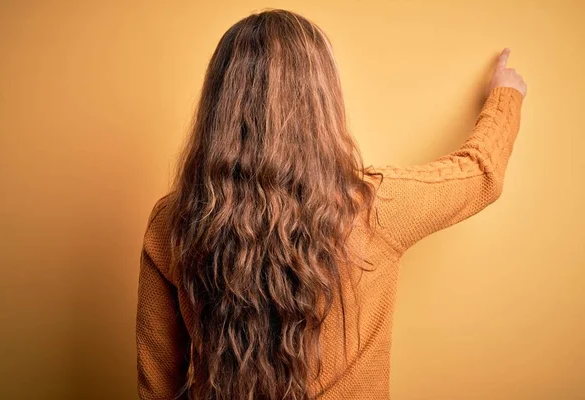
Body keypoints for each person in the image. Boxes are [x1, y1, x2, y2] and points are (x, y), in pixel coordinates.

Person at [136, 8, 527, 400]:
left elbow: (158, 385)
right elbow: (480, 173)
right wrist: (505, 94)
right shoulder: (376, 207)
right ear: (321, 102)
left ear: (218, 103)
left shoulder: (173, 221)